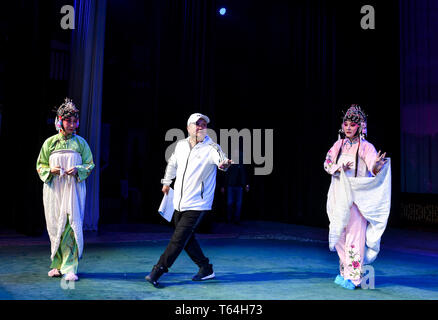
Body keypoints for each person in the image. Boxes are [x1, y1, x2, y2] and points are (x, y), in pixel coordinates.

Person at [146, 113, 233, 287]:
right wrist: (166, 182)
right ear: (189, 128)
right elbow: (172, 164)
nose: (201, 127)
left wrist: (224, 164)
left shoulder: (211, 148)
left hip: (198, 203)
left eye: (204, 125)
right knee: (186, 237)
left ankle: (158, 271)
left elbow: (221, 160)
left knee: (178, 239)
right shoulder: (180, 146)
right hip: (178, 201)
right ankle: (205, 268)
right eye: (198, 124)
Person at [323, 104, 391, 290]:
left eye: (352, 125)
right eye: (346, 124)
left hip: (356, 198)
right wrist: (337, 168)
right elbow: (327, 162)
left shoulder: (366, 147)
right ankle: (345, 272)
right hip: (338, 193)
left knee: (354, 235)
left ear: (360, 127)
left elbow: (373, 168)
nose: (348, 127)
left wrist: (377, 165)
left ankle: (354, 278)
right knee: (338, 234)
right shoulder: (339, 144)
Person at [36, 98, 95, 281]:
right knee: (55, 225)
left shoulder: (81, 143)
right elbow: (40, 166)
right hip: (55, 190)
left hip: (73, 189)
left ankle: (70, 267)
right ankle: (56, 264)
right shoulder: (50, 143)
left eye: (74, 121)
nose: (71, 124)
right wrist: (50, 170)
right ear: (60, 121)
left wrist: (78, 169)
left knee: (71, 224)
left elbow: (90, 164)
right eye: (68, 121)